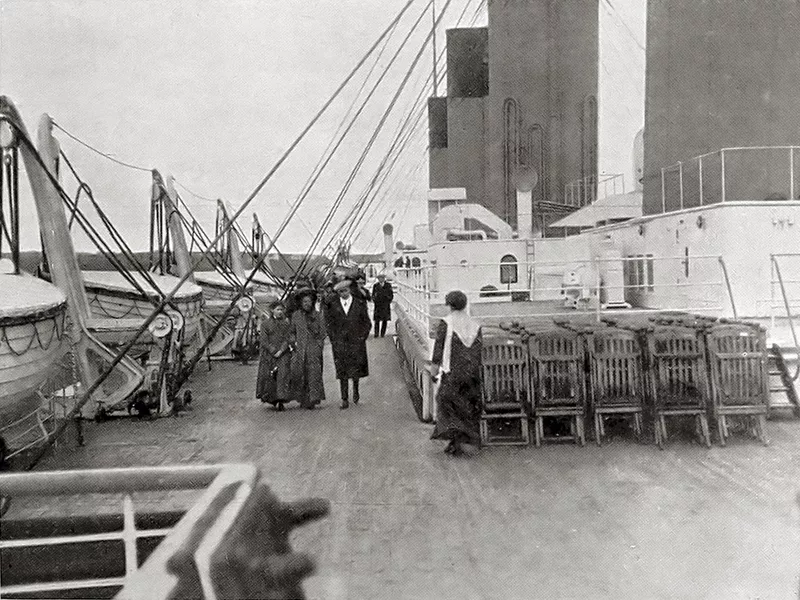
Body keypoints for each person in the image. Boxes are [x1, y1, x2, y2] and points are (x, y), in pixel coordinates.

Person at [430, 290, 483, 456]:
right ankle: (462, 439)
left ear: (450, 305)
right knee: (466, 406)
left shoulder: (446, 323)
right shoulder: (475, 325)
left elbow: (439, 348)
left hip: (453, 372)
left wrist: (434, 369)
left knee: (446, 403)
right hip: (471, 373)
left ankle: (455, 440)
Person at [325, 279, 371, 409]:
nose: (343, 293)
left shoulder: (359, 304)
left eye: (345, 290)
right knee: (342, 371)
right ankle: (344, 398)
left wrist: (362, 337)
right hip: (340, 343)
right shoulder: (333, 305)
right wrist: (333, 338)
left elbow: (366, 322)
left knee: (355, 369)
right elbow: (329, 323)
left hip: (356, 342)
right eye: (340, 292)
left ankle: (355, 391)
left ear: (350, 290)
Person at [290, 288, 327, 409]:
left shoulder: (317, 315)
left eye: (309, 301)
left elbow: (323, 333)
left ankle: (313, 399)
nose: (307, 304)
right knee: (300, 374)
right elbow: (291, 332)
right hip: (300, 349)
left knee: (313, 375)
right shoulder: (296, 316)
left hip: (313, 350)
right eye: (304, 302)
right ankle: (302, 399)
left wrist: (318, 345)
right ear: (301, 303)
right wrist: (293, 342)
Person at [256, 301, 294, 411]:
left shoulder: (287, 323)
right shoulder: (265, 324)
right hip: (269, 355)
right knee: (270, 378)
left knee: (283, 376)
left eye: (282, 310)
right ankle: (273, 399)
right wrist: (273, 350)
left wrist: (281, 350)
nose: (280, 312)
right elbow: (263, 340)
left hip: (283, 353)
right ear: (272, 310)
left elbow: (288, 338)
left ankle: (282, 400)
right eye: (278, 309)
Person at [371, 273, 393, 338]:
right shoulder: (375, 286)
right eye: (379, 278)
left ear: (384, 279)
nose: (380, 279)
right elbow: (373, 294)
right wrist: (375, 300)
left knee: (385, 320)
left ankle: (382, 333)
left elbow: (391, 294)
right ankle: (376, 333)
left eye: (382, 278)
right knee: (377, 320)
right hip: (378, 304)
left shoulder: (388, 285)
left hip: (385, 304)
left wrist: (388, 300)